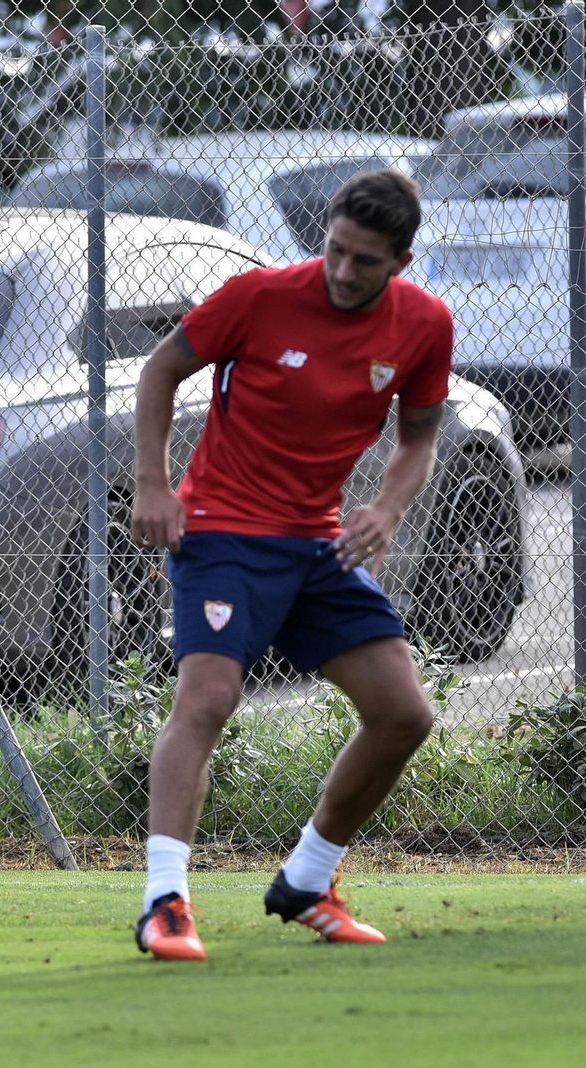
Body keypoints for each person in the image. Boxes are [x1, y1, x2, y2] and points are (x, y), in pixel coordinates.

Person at [128, 170, 452, 961]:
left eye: (365, 261)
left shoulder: (424, 324)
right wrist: (153, 483)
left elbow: (418, 438)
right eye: (335, 249)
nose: (343, 271)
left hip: (319, 543)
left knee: (405, 715)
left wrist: (387, 508)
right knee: (208, 698)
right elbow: (160, 370)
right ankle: (164, 901)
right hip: (223, 532)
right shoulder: (258, 296)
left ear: (401, 262)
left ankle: (309, 878)